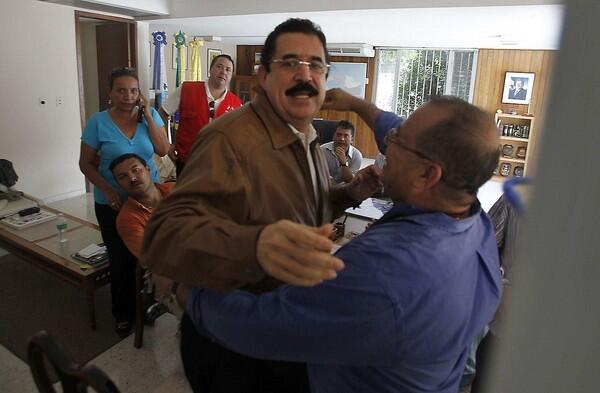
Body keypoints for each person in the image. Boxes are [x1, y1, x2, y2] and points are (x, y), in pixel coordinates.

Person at [182, 90, 503, 393]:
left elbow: (258, 327)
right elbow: (396, 128)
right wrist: (357, 105)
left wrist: (186, 291)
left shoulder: (387, 275)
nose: (386, 145)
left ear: (426, 175)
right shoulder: (475, 221)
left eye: (396, 142)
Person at [141, 18, 380, 393]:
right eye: (289, 63)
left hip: (282, 331)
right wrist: (255, 246)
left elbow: (305, 206)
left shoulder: (308, 136)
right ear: (263, 75)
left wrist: (348, 194)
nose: (305, 75)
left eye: (315, 65)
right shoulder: (229, 139)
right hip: (233, 346)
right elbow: (162, 235)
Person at [79, 67, 169, 337]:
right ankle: (123, 313)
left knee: (152, 251)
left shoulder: (149, 116)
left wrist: (148, 116)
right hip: (113, 202)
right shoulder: (98, 122)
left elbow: (163, 150)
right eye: (121, 90)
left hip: (149, 198)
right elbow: (85, 163)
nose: (128, 96)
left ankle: (150, 301)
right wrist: (107, 189)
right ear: (110, 93)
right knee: (121, 259)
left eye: (133, 90)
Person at [111, 153, 180, 318]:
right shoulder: (127, 218)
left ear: (148, 170)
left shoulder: (176, 189)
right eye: (123, 177)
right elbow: (151, 257)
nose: (132, 178)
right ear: (119, 184)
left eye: (136, 170)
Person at [159, 54, 242, 174]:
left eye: (228, 69)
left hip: (219, 166)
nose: (223, 72)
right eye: (219, 66)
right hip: (187, 162)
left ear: (231, 75)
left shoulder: (236, 104)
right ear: (210, 69)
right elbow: (162, 112)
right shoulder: (187, 89)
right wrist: (167, 145)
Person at [320, 120, 363, 184]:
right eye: (338, 135)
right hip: (324, 186)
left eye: (346, 136)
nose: (342, 139)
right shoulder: (322, 150)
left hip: (344, 190)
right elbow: (318, 175)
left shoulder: (357, 156)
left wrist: (344, 163)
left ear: (352, 140)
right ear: (333, 136)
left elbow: (351, 181)